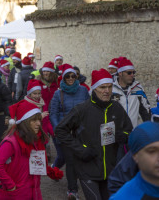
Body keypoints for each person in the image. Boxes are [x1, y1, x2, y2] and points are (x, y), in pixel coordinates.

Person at [56, 69, 133, 200]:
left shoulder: (117, 108)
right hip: (87, 169)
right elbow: (60, 131)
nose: (107, 91)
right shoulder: (82, 109)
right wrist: (81, 150)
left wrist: (124, 135)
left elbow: (128, 128)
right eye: (102, 87)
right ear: (94, 89)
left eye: (109, 87)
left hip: (110, 169)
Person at [0, 100, 64, 199]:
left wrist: (50, 171)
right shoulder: (11, 142)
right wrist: (11, 185)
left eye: (39, 120)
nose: (38, 124)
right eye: (34, 120)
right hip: (17, 194)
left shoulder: (34, 140)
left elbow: (38, 162)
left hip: (33, 192)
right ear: (24, 122)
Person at [50, 64, 90, 199]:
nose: (71, 78)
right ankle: (72, 190)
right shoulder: (58, 93)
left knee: (83, 158)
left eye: (73, 76)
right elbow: (53, 113)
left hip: (80, 131)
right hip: (65, 131)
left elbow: (89, 109)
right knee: (70, 161)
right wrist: (57, 129)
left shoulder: (83, 91)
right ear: (64, 77)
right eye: (68, 76)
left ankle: (86, 184)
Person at [112, 58, 151, 128]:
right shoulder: (111, 89)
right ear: (120, 73)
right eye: (129, 73)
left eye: (133, 73)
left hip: (134, 132)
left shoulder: (138, 89)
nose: (132, 75)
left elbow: (146, 111)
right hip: (117, 133)